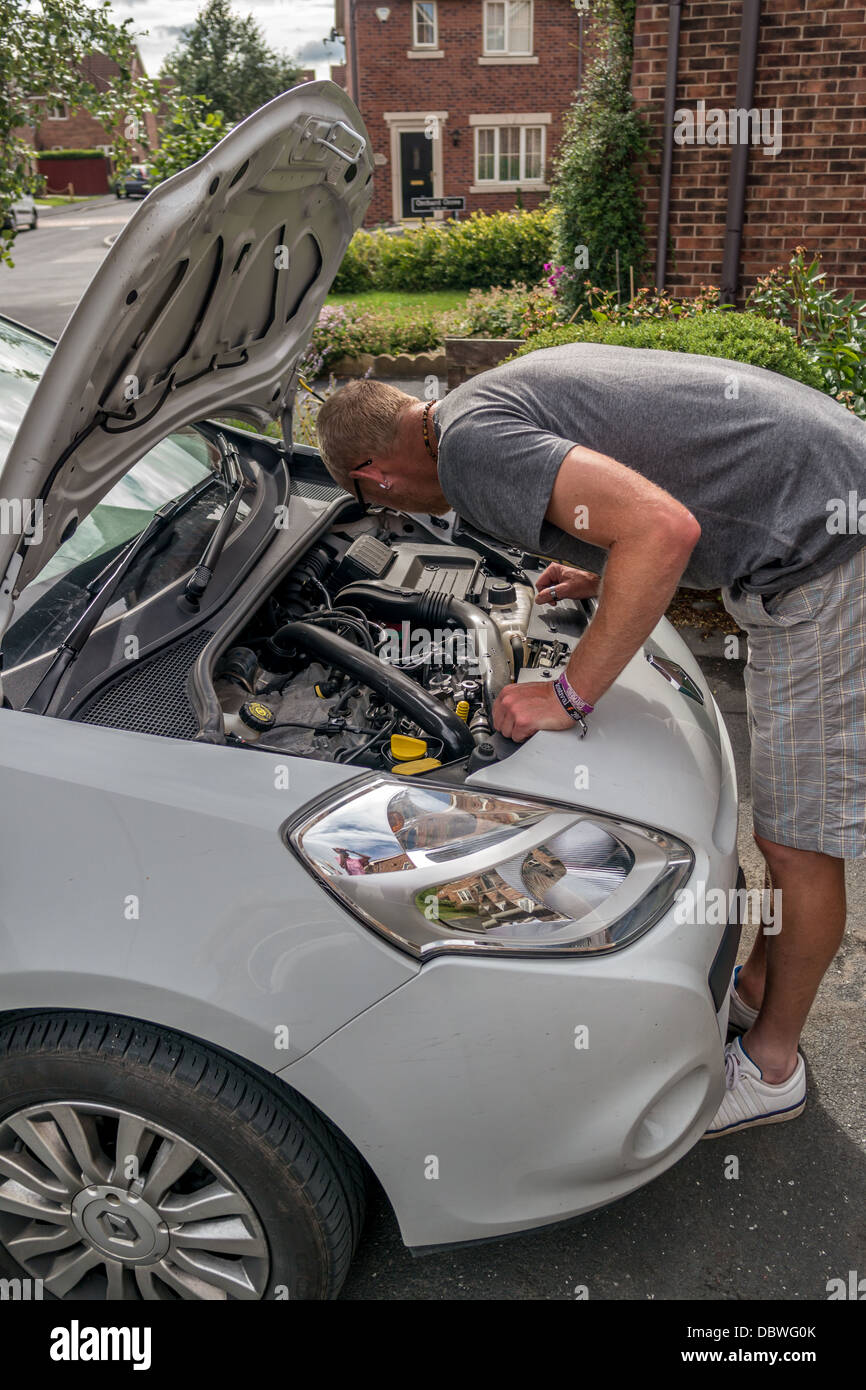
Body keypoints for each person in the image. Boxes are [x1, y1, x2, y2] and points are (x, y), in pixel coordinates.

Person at [315, 342, 866, 1137]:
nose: (402, 515)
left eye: (387, 506)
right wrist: (605, 569)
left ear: (375, 474)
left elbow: (663, 528)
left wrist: (569, 694)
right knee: (785, 838)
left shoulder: (470, 449)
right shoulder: (473, 405)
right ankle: (752, 991)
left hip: (830, 551)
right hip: (824, 494)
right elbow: (647, 483)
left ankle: (774, 1066)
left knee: (799, 845)